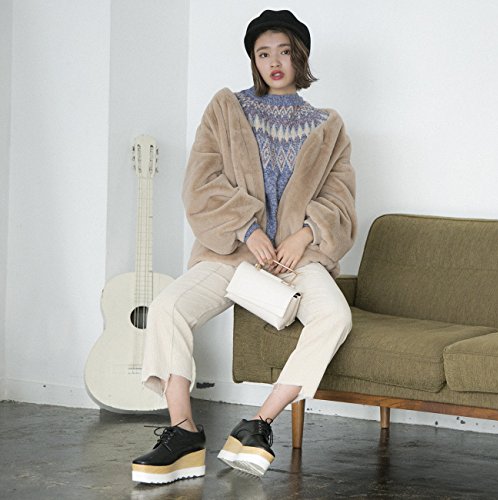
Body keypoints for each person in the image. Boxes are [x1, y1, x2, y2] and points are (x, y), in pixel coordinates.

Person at [131, 9, 356, 485]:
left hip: (295, 259)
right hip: (232, 253)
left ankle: (257, 425)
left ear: (300, 57)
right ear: (253, 60)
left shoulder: (327, 126)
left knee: (335, 316)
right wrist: (248, 229)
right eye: (263, 53)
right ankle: (182, 433)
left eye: (285, 52)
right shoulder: (226, 109)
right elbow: (200, 185)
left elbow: (340, 201)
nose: (274, 62)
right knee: (168, 307)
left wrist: (304, 234)